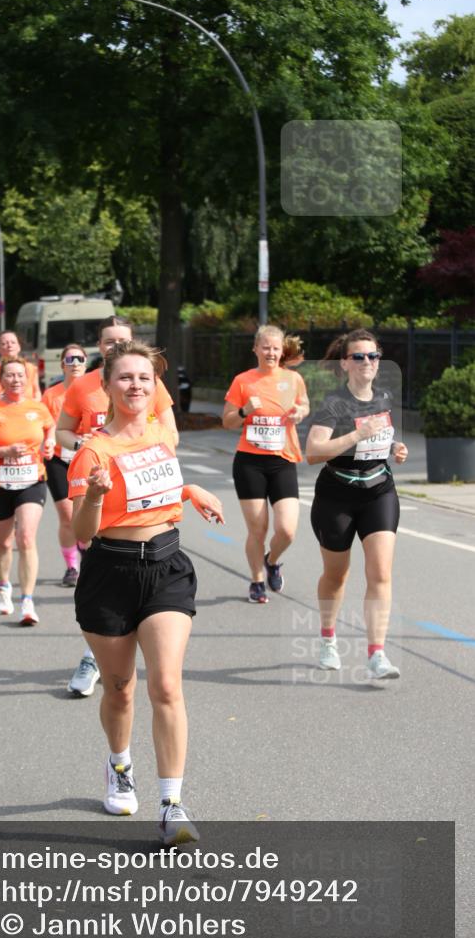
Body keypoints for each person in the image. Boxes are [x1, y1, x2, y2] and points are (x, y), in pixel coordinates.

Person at [68, 339, 223, 844]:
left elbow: (155, 491)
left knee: (167, 685)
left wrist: (189, 490)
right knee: (119, 688)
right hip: (109, 573)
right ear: (107, 386)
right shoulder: (93, 451)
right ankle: (119, 765)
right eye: (125, 377)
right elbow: (83, 533)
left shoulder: (161, 433)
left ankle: (172, 805)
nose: (136, 385)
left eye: (144, 378)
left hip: (166, 566)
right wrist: (95, 494)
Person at [57, 317, 179, 696]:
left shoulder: (147, 382)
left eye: (122, 339)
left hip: (159, 540)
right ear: (101, 347)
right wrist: (93, 452)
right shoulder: (84, 387)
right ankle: (95, 655)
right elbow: (62, 431)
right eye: (109, 342)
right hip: (101, 495)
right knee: (120, 686)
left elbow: (170, 433)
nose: (116, 346)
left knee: (166, 685)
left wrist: (148, 458)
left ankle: (101, 655)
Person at [305, 330, 407, 680]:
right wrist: (357, 435)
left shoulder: (384, 397)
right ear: (345, 363)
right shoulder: (334, 404)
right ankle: (328, 639)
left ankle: (377, 654)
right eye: (359, 356)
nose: (368, 362)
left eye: (373, 356)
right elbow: (313, 452)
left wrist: (394, 448)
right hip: (337, 495)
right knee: (336, 575)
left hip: (379, 490)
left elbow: (381, 437)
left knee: (380, 573)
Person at [222, 325, 309, 603]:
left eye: (276, 348)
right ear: (256, 349)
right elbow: (227, 421)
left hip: (282, 460)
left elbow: (304, 406)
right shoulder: (243, 381)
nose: (271, 352)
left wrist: (299, 412)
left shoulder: (293, 379)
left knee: (287, 530)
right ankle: (257, 580)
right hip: (250, 463)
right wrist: (244, 411)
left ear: (282, 351)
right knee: (257, 530)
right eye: (266, 347)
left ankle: (271, 561)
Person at [0, 358, 55, 624]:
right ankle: (3, 585)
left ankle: (27, 601)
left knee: (26, 538)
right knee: (4, 542)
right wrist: (5, 451)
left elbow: (50, 427)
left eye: (20, 375)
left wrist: (50, 441)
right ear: (1, 380)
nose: (15, 379)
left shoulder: (38, 408)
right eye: (9, 375)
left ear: (27, 379)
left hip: (32, 480)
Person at [41, 343, 88, 588]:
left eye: (80, 359)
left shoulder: (96, 391)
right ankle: (72, 566)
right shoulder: (52, 395)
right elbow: (45, 426)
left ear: (86, 363)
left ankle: (87, 555)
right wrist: (48, 441)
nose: (75, 363)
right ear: (62, 365)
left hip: (88, 460)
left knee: (89, 514)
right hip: (60, 459)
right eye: (70, 359)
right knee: (68, 516)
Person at [0, 331, 41, 400]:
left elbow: (37, 392)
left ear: (19, 347)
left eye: (13, 342)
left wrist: (34, 404)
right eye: (4, 343)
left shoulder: (30, 368)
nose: (9, 346)